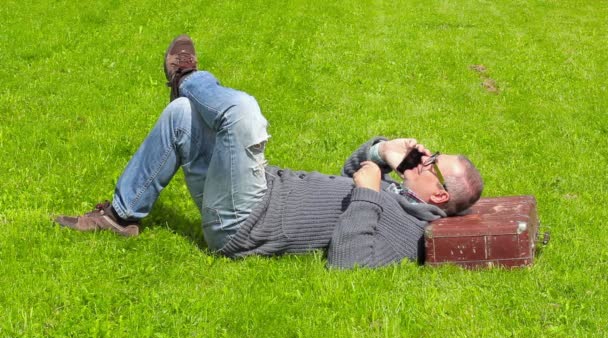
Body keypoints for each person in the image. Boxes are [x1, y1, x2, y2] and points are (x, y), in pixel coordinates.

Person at [55, 35, 484, 269]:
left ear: (441, 195)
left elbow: (349, 261)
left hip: (247, 221)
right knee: (184, 116)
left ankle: (186, 76)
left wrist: (371, 193)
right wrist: (381, 151)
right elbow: (351, 173)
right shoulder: (404, 198)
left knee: (244, 114)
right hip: (255, 191)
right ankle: (120, 216)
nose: (427, 158)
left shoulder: (411, 235)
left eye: (433, 165)